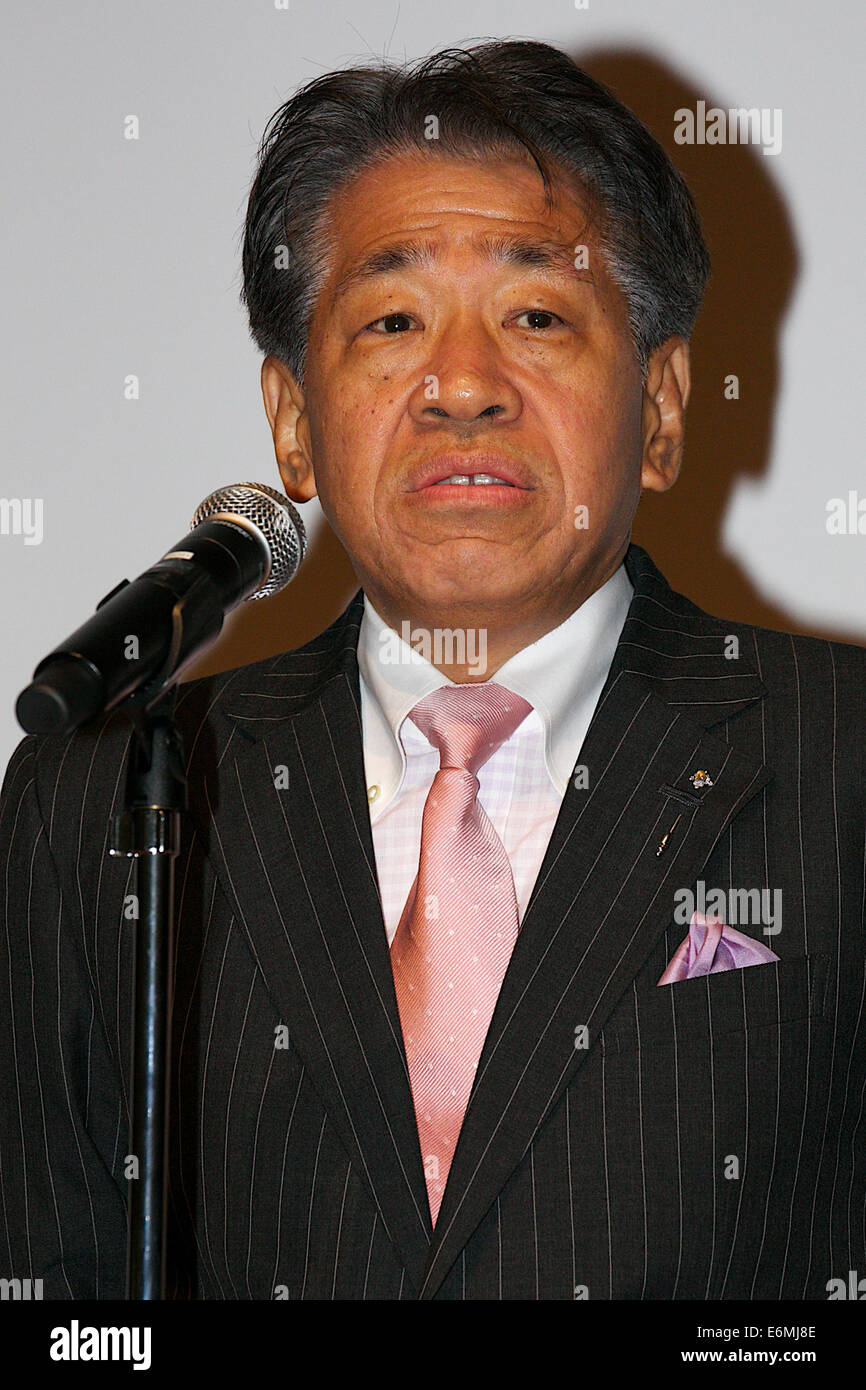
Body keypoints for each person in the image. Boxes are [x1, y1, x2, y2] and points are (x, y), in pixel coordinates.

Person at [1, 39, 863, 1302]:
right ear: (293, 419)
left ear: (663, 406)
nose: (461, 385)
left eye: (535, 316)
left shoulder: (840, 758)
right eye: (392, 320)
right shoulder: (105, 798)